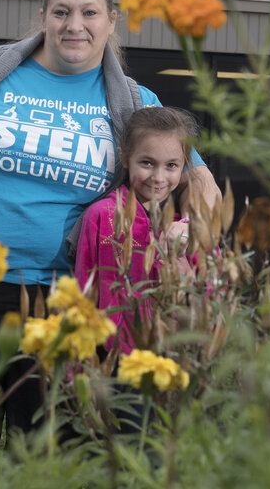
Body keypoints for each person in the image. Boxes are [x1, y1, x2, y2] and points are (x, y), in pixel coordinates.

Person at [0, 0, 219, 433]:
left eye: (90, 13)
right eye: (62, 12)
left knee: (52, 461)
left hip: (71, 304)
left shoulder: (135, 103)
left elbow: (202, 186)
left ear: (112, 21)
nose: (75, 25)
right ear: (43, 16)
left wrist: (181, 239)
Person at [75, 106, 198, 357]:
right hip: (115, 358)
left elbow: (212, 292)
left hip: (175, 357)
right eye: (147, 163)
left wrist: (182, 262)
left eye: (171, 165)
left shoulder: (190, 226)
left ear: (184, 165)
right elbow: (83, 292)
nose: (158, 177)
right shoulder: (101, 216)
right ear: (124, 157)